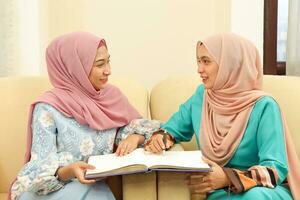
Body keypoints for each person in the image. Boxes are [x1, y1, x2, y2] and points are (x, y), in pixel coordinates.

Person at [145, 33, 300, 199]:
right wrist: (161, 138)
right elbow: (172, 128)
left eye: (206, 61)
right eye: (198, 61)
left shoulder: (264, 106)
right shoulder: (202, 97)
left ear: (230, 64)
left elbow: (275, 170)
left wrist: (227, 177)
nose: (199, 69)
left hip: (262, 190)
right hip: (222, 192)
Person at [10, 32, 160, 200]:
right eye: (99, 64)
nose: (108, 71)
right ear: (75, 67)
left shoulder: (110, 97)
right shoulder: (47, 108)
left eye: (108, 61)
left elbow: (133, 130)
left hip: (90, 188)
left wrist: (136, 137)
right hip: (47, 192)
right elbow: (40, 171)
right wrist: (68, 171)